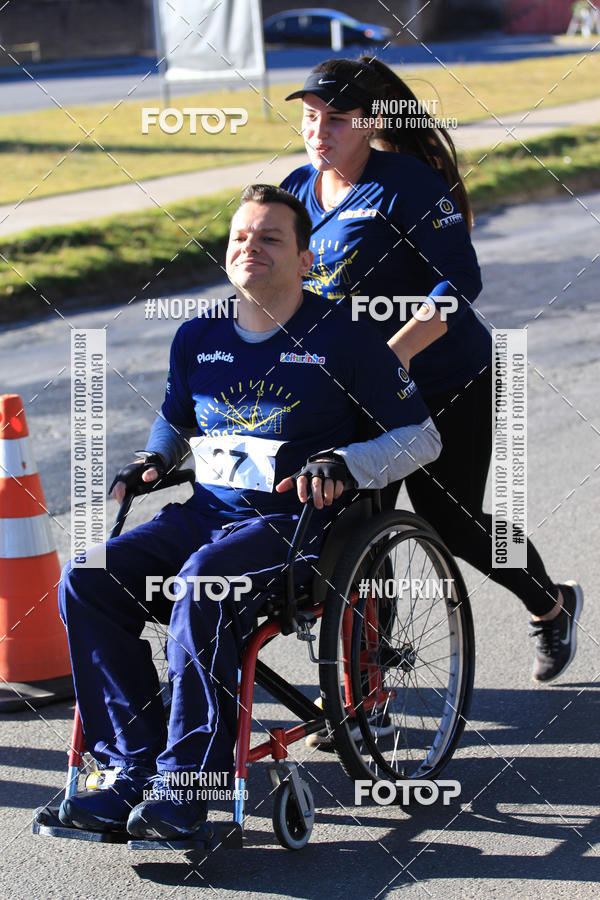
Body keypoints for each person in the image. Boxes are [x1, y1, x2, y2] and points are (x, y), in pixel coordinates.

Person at [57, 184, 441, 840]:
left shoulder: (346, 338)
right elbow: (175, 421)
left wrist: (345, 464)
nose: (251, 248)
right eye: (241, 237)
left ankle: (188, 787)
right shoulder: (199, 336)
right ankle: (128, 768)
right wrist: (154, 459)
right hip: (203, 515)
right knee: (87, 578)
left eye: (270, 238)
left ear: (304, 255)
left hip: (293, 531)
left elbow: (420, 437)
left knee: (205, 583)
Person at [281, 57, 583, 688]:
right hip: (358, 393)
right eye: (311, 118)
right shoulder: (297, 190)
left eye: (335, 119)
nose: (319, 131)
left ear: (369, 125)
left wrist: (398, 351)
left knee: (455, 522)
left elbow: (460, 282)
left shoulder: (407, 184)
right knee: (361, 530)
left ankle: (551, 604)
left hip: (448, 377)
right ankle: (366, 688)